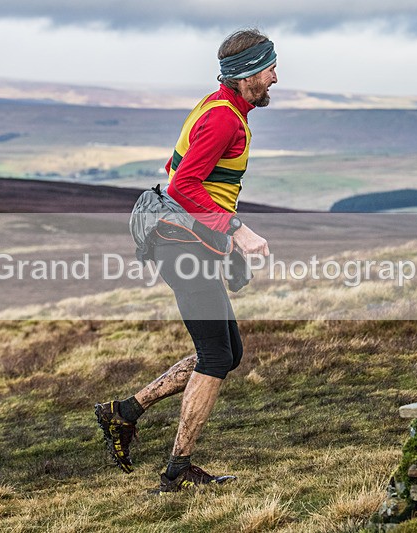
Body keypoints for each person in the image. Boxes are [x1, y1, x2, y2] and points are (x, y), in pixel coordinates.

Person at [95, 28, 277, 493]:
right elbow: (182, 187)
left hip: (187, 243)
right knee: (217, 355)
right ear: (247, 76)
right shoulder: (223, 120)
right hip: (180, 248)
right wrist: (237, 229)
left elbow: (178, 170)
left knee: (227, 352)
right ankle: (176, 473)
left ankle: (124, 412)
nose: (276, 78)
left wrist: (221, 237)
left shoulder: (220, 108)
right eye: (270, 69)